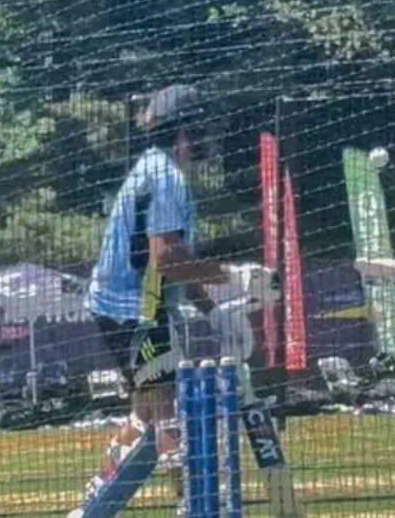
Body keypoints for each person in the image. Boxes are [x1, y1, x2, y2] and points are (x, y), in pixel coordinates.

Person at [69, 84, 277, 517]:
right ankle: (190, 505)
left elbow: (173, 265)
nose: (207, 136)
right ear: (185, 130)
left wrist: (213, 310)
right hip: (136, 308)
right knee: (168, 418)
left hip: (139, 302)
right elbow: (167, 259)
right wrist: (236, 277)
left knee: (146, 417)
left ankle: (92, 509)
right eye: (200, 126)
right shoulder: (166, 179)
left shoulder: (155, 167)